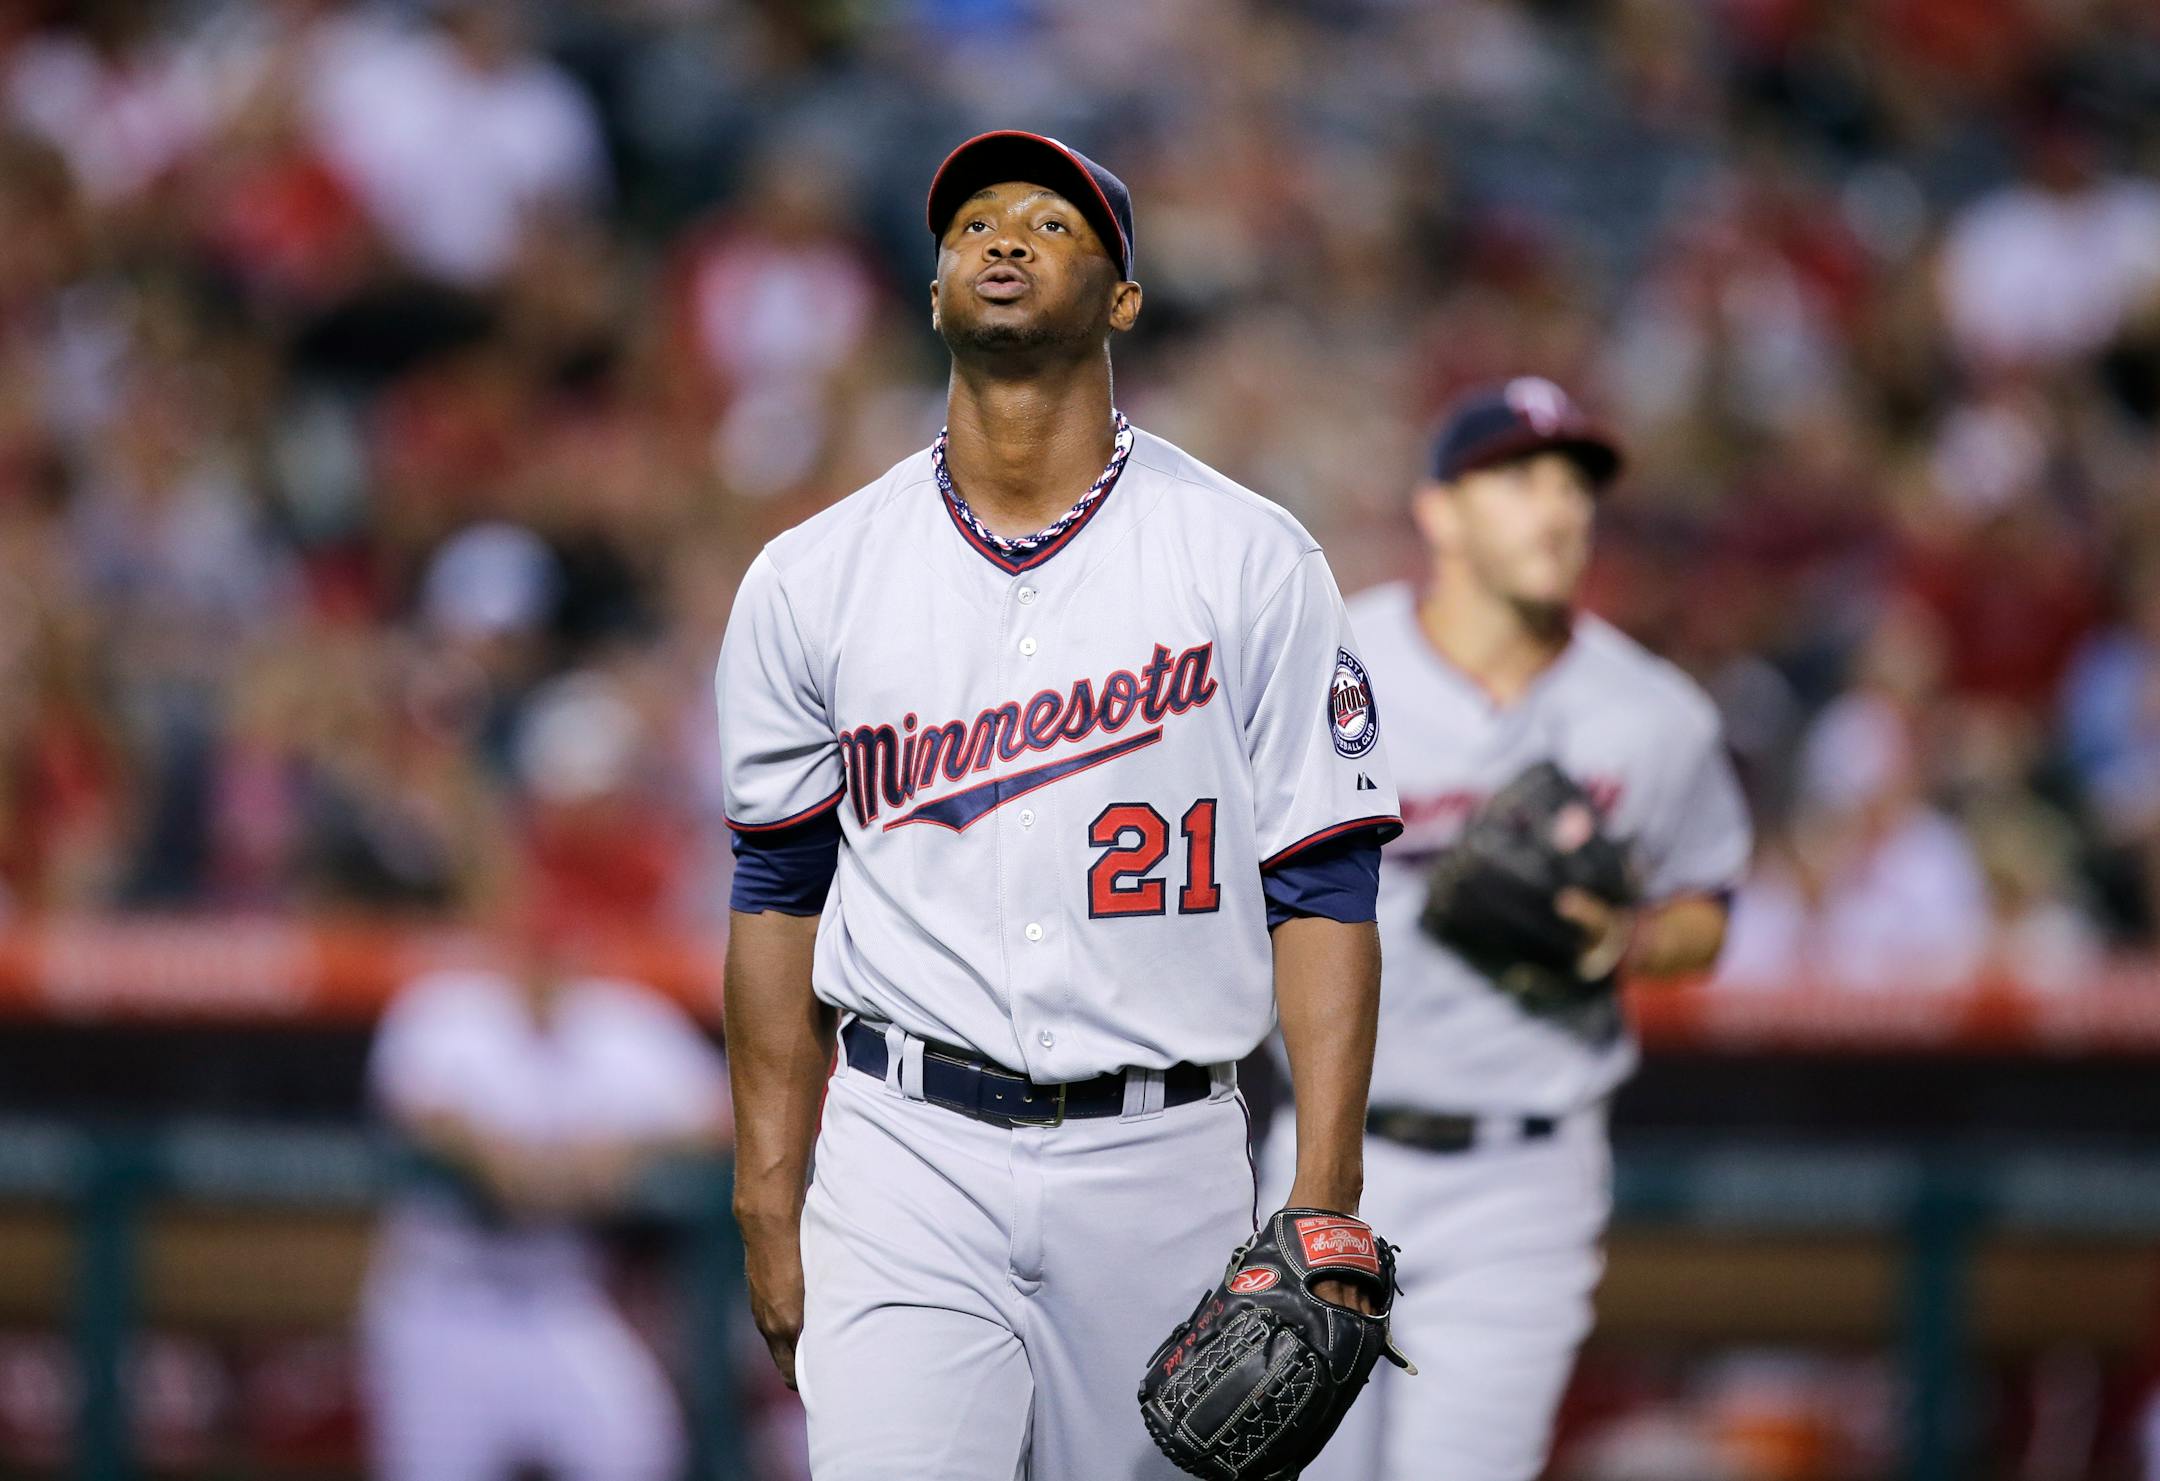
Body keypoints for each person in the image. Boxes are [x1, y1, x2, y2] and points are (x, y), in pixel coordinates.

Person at [715, 130, 1403, 1480]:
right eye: (973, 226)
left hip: (1164, 1159)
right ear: (932, 291)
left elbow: (1324, 888)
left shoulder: (1249, 559)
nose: (1006, 239)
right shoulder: (812, 576)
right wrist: (765, 1188)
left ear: (1125, 299)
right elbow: (775, 897)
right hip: (904, 1149)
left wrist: (1324, 1194)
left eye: (1053, 224)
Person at [1263, 377, 1751, 1481]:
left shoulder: (1656, 712)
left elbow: (1710, 905)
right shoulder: (1329, 671)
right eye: (1520, 479)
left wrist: (1633, 941)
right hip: (1328, 1151)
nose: (1560, 507)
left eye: (1576, 483)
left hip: (1524, 1174)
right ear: (1439, 510)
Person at [357, 902, 729, 1481]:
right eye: (535, 939)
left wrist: (631, 1152)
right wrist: (499, 1158)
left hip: (560, 1299)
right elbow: (419, 1108)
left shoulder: (616, 1021)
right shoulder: (445, 1008)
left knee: (636, 1452)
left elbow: (720, 1113)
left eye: (562, 940)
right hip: (441, 1305)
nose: (548, 955)